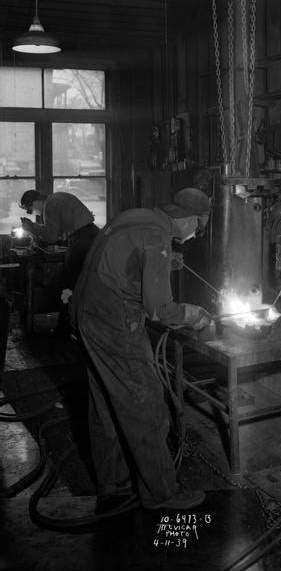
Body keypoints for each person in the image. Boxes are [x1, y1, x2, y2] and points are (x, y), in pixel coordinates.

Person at [69, 188, 212, 513]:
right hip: (113, 322)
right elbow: (160, 309)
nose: (194, 234)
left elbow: (120, 261)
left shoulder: (136, 217)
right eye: (198, 226)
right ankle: (161, 493)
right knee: (144, 405)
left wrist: (160, 263)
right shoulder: (155, 236)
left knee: (105, 405)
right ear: (189, 218)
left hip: (84, 312)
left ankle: (114, 487)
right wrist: (193, 315)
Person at [19, 190, 100, 333]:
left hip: (82, 242)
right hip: (94, 236)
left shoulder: (50, 205)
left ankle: (65, 328)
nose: (34, 213)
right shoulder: (59, 198)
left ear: (34, 203)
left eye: (30, 210)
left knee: (68, 283)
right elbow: (57, 230)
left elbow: (51, 237)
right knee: (86, 282)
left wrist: (31, 227)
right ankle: (86, 324)